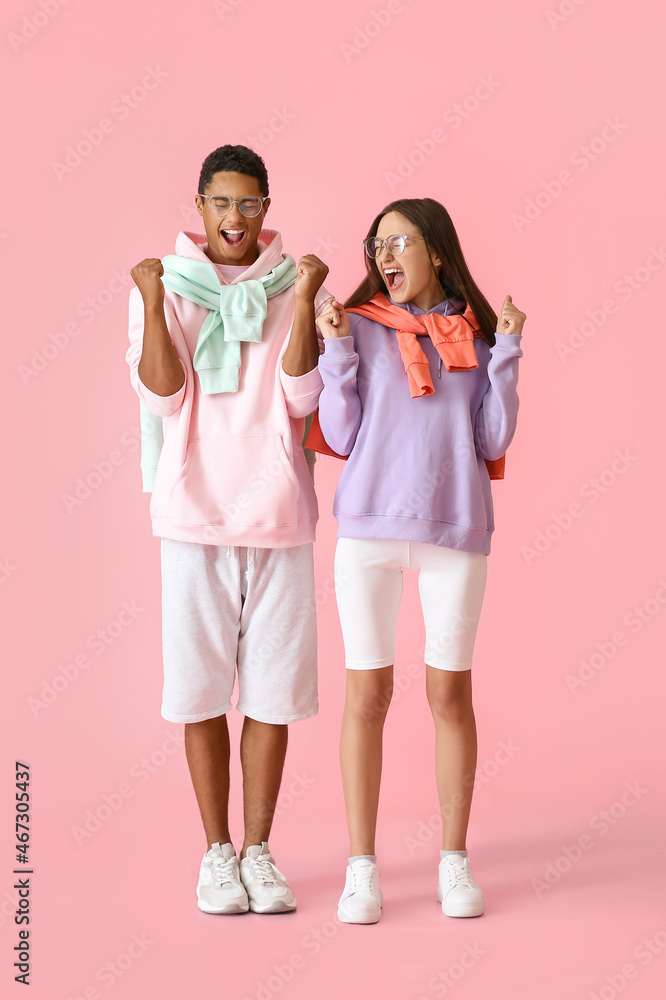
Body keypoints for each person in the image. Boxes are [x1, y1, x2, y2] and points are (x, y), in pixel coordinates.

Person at [125, 144, 334, 914]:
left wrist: (309, 294)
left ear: (266, 209)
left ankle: (259, 852)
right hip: (193, 517)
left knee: (273, 696)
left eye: (249, 204)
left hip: (278, 516)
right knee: (200, 692)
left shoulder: (293, 285)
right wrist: (152, 303)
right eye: (221, 202)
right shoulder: (170, 286)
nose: (235, 218)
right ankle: (216, 854)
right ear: (200, 205)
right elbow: (163, 400)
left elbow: (303, 393)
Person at [310, 197, 526, 923]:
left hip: (454, 529)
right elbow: (338, 437)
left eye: (399, 242)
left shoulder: (473, 332)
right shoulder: (363, 327)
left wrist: (509, 357)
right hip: (369, 530)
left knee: (449, 696)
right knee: (366, 697)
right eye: (376, 246)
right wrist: (337, 351)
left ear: (436, 249)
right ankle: (361, 869)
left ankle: (454, 862)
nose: (385, 257)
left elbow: (492, 441)